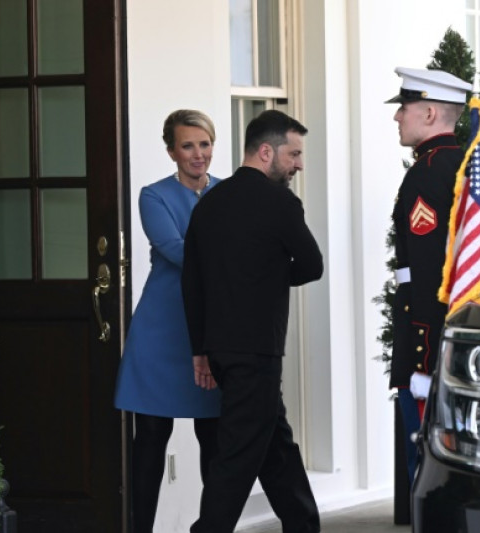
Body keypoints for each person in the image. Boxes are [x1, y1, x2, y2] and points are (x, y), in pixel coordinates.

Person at [182, 109, 323, 533]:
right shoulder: (280, 201)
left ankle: (303, 524)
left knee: (274, 444)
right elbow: (312, 265)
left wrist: (200, 350)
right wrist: (272, 276)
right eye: (294, 154)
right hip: (257, 350)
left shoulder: (209, 204)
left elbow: (193, 283)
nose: (299, 163)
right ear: (266, 151)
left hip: (221, 349)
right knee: (238, 455)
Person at [113, 109, 222, 533]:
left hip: (211, 331)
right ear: (171, 151)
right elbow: (175, 250)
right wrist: (231, 262)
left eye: (205, 144)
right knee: (151, 441)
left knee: (213, 440)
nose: (198, 154)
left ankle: (215, 527)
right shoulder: (153, 196)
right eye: (188, 145)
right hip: (161, 332)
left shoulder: (228, 192)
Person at [384, 67, 471, 484]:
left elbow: (427, 269)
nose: (397, 117)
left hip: (428, 333)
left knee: (426, 465)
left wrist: (421, 353)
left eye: (404, 108)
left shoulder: (427, 172)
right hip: (455, 327)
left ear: (431, 113)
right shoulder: (464, 163)